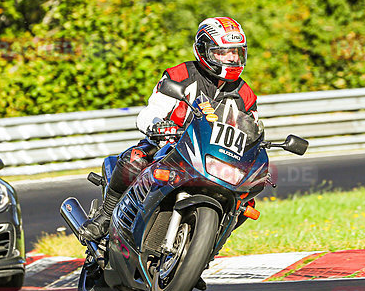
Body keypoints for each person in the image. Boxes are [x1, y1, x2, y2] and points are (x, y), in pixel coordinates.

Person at [81, 16, 258, 241]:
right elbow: (150, 111)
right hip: (171, 145)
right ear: (203, 50)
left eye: (236, 52)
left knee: (244, 201)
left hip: (213, 157)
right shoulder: (179, 75)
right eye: (223, 52)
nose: (231, 58)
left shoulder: (246, 93)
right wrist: (157, 125)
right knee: (135, 159)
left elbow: (251, 129)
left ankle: (205, 253)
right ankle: (105, 218)